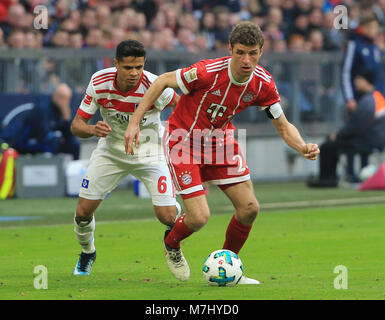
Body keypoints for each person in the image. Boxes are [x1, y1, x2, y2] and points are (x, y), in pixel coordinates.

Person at [124, 22, 320, 284]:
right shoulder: (206, 72)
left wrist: (302, 146)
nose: (246, 60)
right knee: (199, 217)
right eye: (240, 52)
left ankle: (227, 268)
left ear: (261, 51)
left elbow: (283, 126)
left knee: (249, 208)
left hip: (220, 143)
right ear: (230, 49)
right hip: (184, 140)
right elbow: (162, 81)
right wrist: (135, 121)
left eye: (252, 53)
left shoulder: (263, 84)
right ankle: (171, 244)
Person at [70, 40, 181, 276]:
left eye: (139, 67)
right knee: (82, 213)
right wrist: (92, 130)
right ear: (115, 64)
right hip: (111, 152)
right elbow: (76, 126)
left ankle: (173, 213)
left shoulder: (154, 85)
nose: (134, 74)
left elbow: (183, 109)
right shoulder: (99, 82)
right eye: (128, 67)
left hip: (151, 152)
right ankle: (88, 252)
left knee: (168, 217)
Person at [307, 71, 385, 188]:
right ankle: (330, 178)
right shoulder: (378, 97)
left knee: (327, 145)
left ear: (366, 81)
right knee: (332, 143)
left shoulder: (369, 101)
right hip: (375, 139)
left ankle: (327, 179)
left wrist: (338, 135)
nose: (355, 82)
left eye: (358, 80)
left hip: (367, 141)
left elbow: (356, 125)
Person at [341, 14, 385, 182]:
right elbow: (346, 72)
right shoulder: (354, 44)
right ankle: (351, 172)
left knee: (367, 135)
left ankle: (365, 170)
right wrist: (349, 97)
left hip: (373, 100)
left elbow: (378, 76)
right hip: (358, 100)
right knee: (354, 133)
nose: (376, 31)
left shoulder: (374, 47)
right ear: (365, 27)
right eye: (373, 27)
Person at [0, 83, 80, 160]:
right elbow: (43, 135)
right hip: (27, 142)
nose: (65, 102)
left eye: (67, 99)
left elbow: (69, 137)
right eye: (62, 98)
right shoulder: (42, 108)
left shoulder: (62, 111)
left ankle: (73, 170)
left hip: (47, 142)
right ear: (55, 96)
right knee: (52, 144)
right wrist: (57, 138)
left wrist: (67, 120)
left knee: (74, 144)